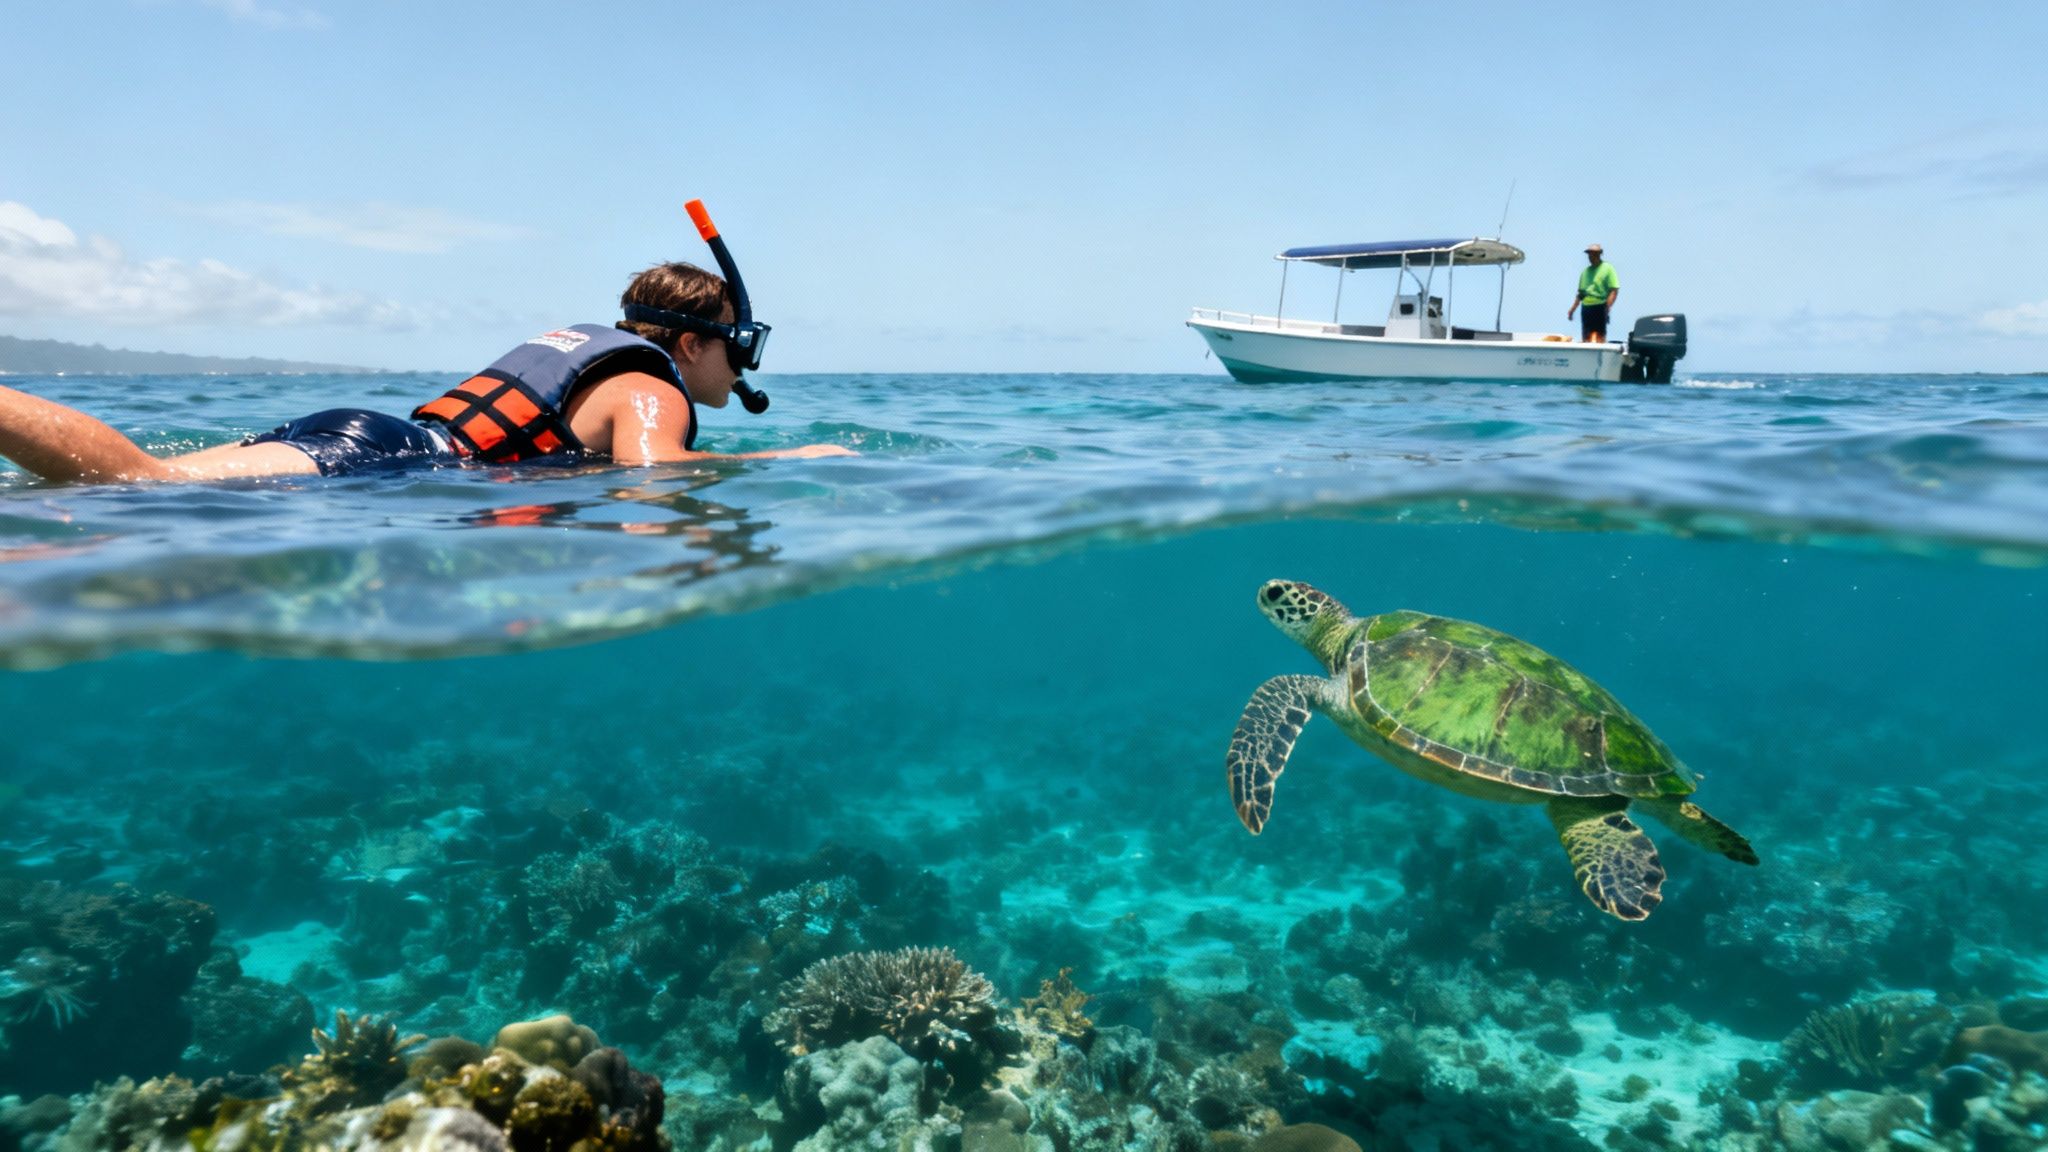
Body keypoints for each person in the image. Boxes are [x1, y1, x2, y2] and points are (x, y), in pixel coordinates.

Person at [0, 239, 850, 484]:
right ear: (693, 343)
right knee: (135, 483)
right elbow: (654, 480)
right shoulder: (650, 388)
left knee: (109, 502)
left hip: (378, 440)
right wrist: (786, 461)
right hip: (383, 460)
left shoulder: (598, 359)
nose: (740, 364)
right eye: (737, 342)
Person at [1567, 243, 1619, 343]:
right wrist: (1572, 309)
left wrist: (1607, 307)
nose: (1591, 256)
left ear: (1599, 254)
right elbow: (1581, 294)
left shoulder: (1608, 268)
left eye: (1594, 254)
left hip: (1600, 306)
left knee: (1599, 337)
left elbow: (1614, 290)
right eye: (1589, 254)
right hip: (1586, 307)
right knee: (1586, 338)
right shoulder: (1585, 272)